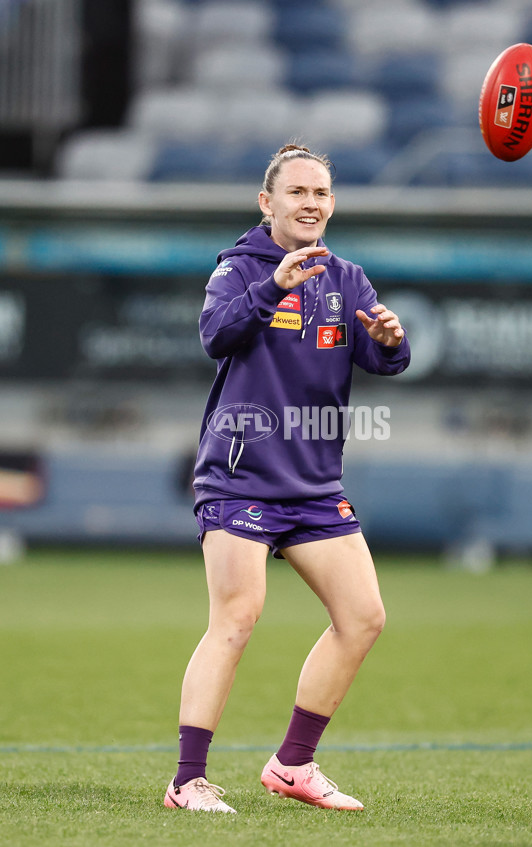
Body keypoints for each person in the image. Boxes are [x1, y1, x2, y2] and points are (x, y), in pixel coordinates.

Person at [164, 144, 410, 814]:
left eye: (321, 193)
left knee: (363, 617)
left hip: (312, 485)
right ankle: (187, 781)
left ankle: (293, 763)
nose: (311, 203)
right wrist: (274, 284)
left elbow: (386, 359)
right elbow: (216, 333)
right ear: (266, 203)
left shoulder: (348, 279)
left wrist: (389, 339)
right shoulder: (237, 270)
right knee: (236, 618)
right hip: (240, 476)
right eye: (297, 192)